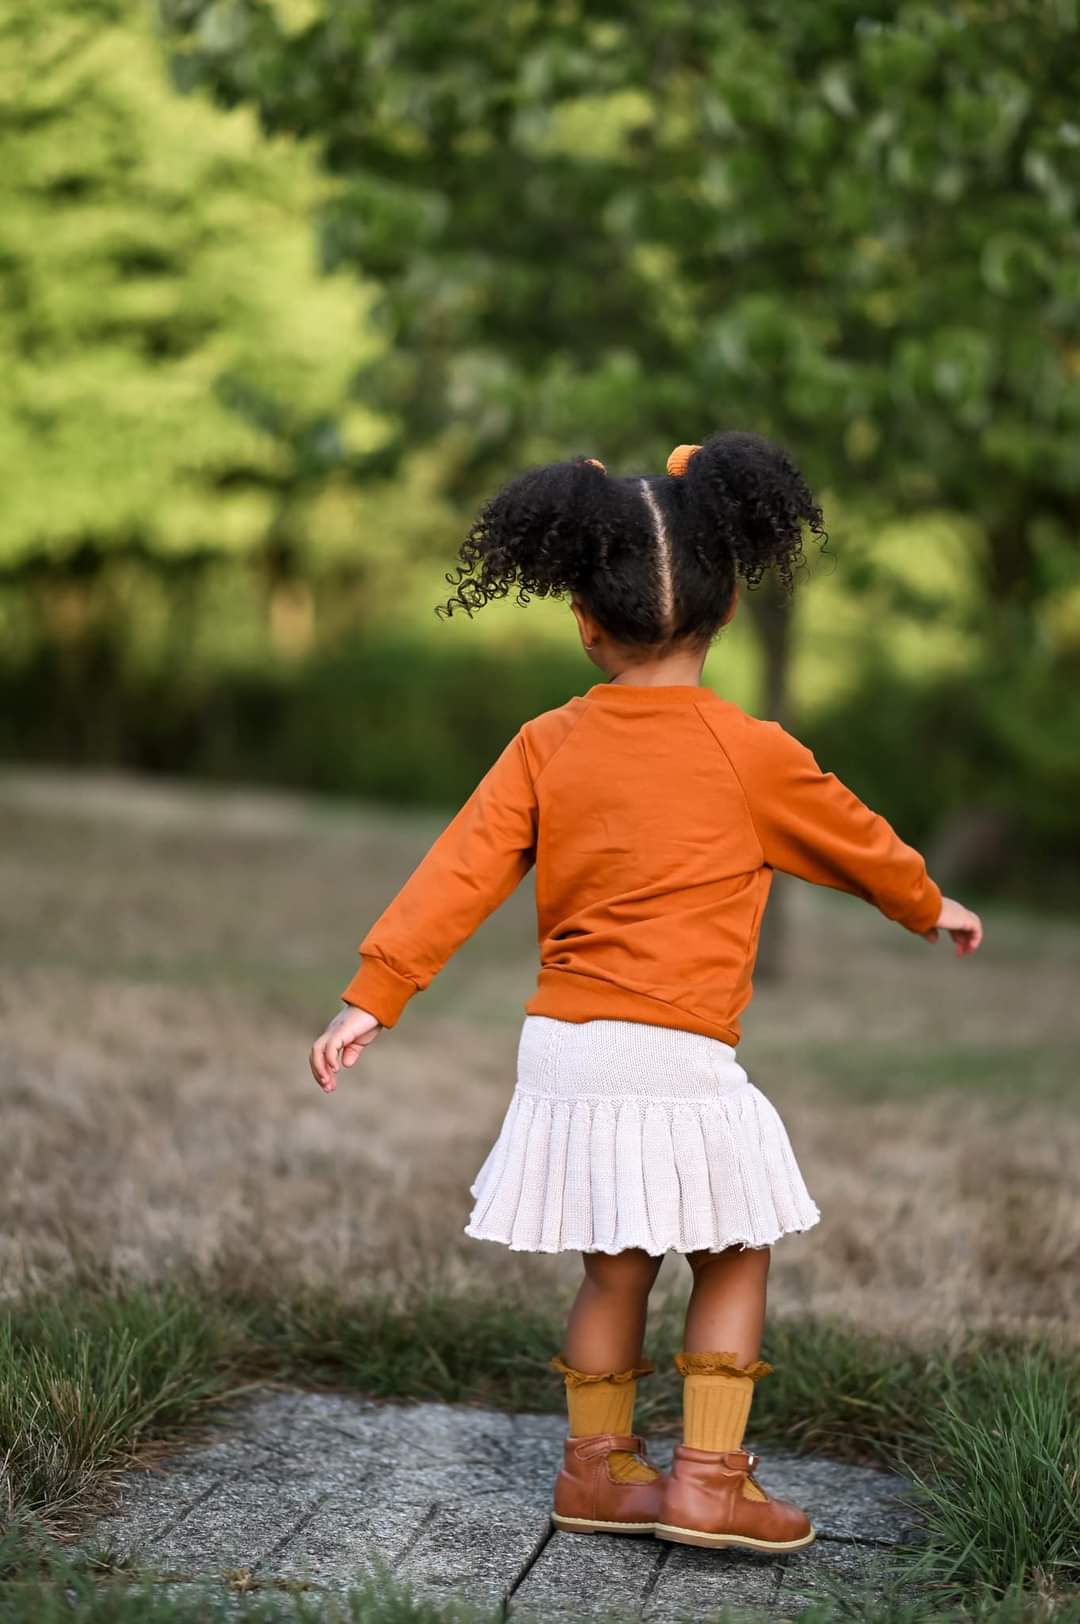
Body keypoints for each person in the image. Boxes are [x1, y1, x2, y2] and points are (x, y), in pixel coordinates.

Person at [309, 433, 982, 1552]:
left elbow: (458, 871)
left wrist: (373, 995)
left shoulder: (545, 743)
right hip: (674, 1049)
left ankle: (598, 1470)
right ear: (723, 613)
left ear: (583, 619)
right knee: (736, 1244)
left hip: (566, 1051)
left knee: (615, 1259)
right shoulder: (749, 749)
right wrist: (928, 904)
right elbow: (855, 837)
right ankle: (710, 1478)